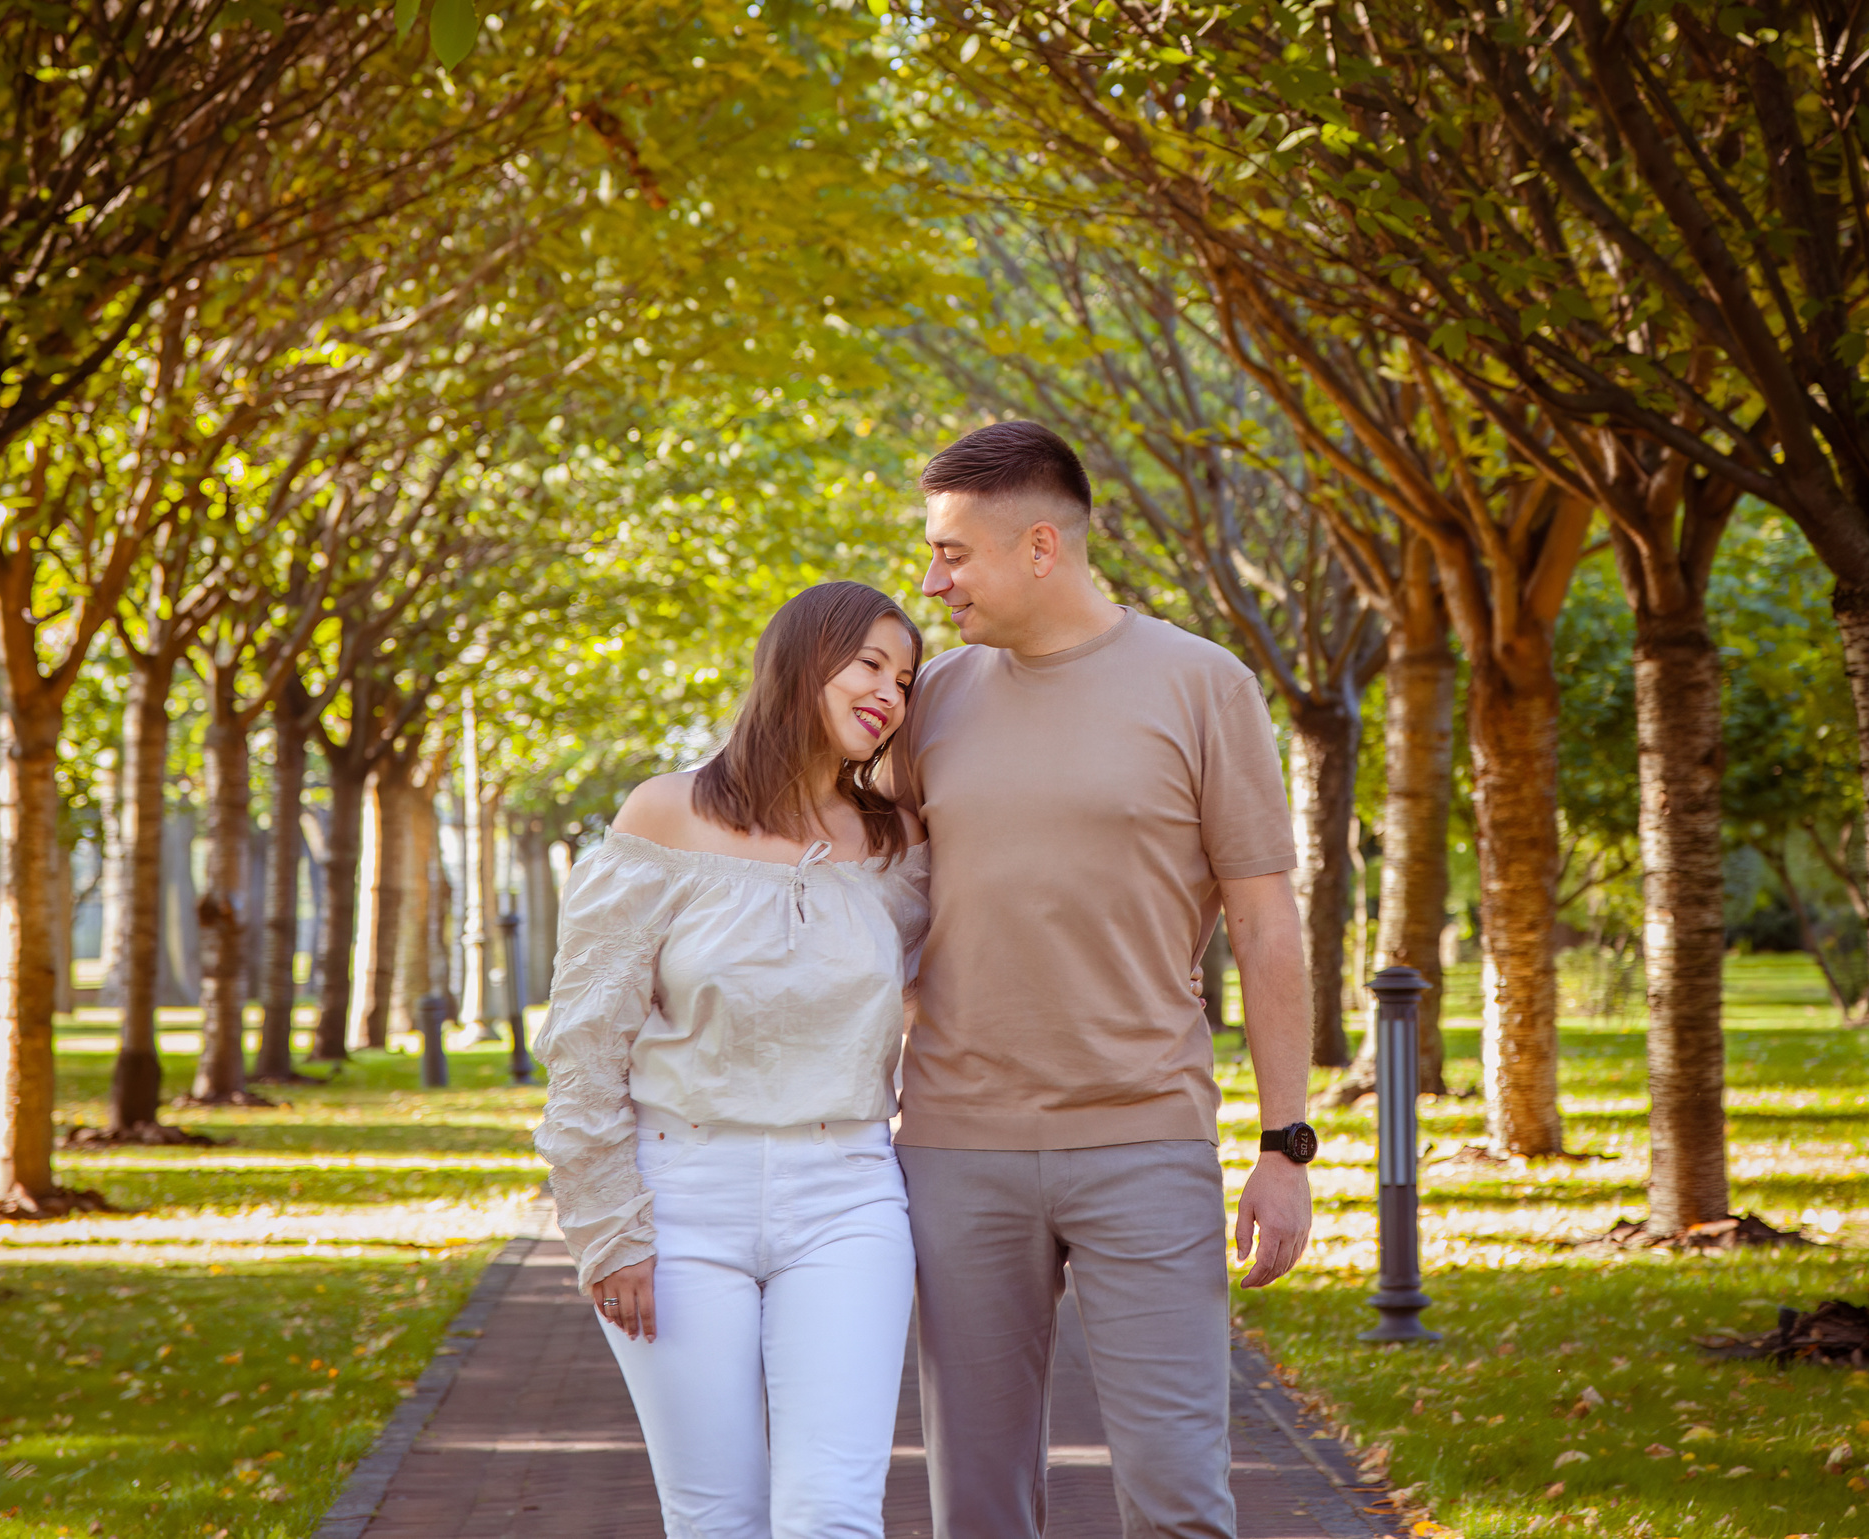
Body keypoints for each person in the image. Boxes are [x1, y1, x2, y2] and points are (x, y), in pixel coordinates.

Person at [896, 419, 1316, 1539]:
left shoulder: (1200, 685)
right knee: (976, 1510)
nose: (932, 581)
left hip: (1143, 1142)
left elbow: (1268, 925)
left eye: (951, 554)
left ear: (1041, 547)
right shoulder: (929, 700)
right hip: (953, 1148)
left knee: (1178, 1496)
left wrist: (1286, 1148)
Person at [535, 581, 930, 1539]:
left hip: (849, 1196)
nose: (889, 693)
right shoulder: (664, 815)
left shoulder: (899, 845)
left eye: (907, 679)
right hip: (679, 1199)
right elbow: (587, 1038)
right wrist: (607, 1224)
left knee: (831, 1512)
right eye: (870, 663)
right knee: (716, 1517)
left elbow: (954, 994)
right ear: (802, 660)